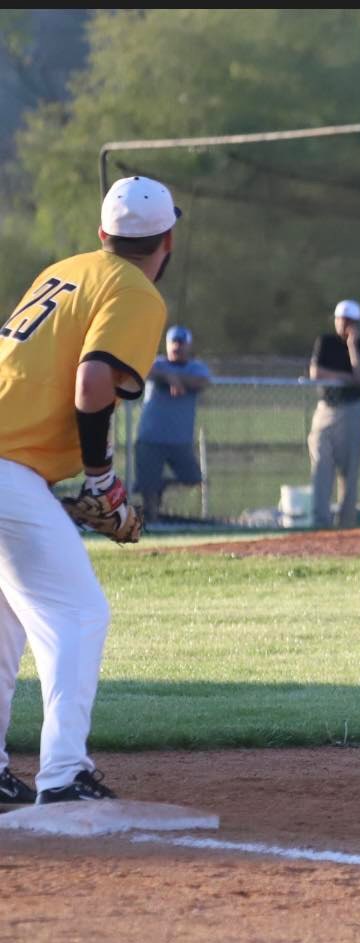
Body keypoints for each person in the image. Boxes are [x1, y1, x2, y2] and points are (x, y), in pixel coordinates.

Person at [0, 174, 181, 805]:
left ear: (103, 235)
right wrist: (102, 478)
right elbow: (93, 383)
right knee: (77, 615)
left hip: (10, 468)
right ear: (169, 243)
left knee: (6, 624)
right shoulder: (135, 290)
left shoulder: (63, 270)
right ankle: (64, 774)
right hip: (6, 470)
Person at [133, 324, 211, 522]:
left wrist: (177, 379)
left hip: (179, 440)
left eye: (181, 343)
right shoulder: (157, 364)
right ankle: (153, 520)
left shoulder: (195, 368)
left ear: (189, 346)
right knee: (148, 486)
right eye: (173, 343)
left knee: (193, 479)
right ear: (167, 345)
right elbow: (143, 370)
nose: (177, 347)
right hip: (150, 438)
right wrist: (169, 377)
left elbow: (201, 382)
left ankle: (162, 485)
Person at [308, 299, 360, 529]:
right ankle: (320, 523)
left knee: (350, 472)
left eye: (348, 321)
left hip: (351, 412)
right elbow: (316, 372)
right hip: (326, 410)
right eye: (340, 319)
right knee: (321, 467)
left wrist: (352, 346)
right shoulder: (325, 342)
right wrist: (345, 379)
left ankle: (346, 524)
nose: (343, 325)